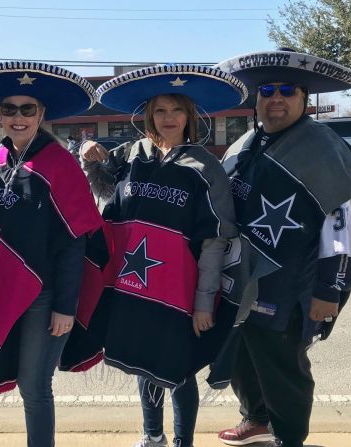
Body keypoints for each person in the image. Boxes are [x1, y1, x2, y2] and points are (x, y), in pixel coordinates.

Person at [77, 65, 248, 447]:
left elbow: (215, 241)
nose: (168, 118)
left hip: (181, 290)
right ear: (148, 116)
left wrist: (205, 301)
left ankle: (183, 441)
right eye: (160, 111)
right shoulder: (133, 153)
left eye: (176, 110)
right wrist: (87, 155)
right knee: (143, 360)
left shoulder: (205, 167)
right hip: (134, 282)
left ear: (190, 115)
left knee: (178, 367)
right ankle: (152, 435)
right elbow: (103, 189)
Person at [214, 48, 351, 447]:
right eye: (267, 90)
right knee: (242, 358)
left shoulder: (325, 148)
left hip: (293, 284)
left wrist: (329, 290)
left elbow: (341, 227)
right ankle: (257, 419)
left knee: (283, 366)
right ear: (257, 98)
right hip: (242, 279)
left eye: (288, 90)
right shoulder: (247, 143)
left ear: (305, 99)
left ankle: (289, 437)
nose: (276, 98)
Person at [0, 61, 105, 447]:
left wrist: (66, 306)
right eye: (10, 109)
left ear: (41, 114)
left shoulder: (60, 165)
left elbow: (74, 240)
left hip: (43, 297)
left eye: (27, 108)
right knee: (15, 379)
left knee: (34, 386)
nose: (18, 117)